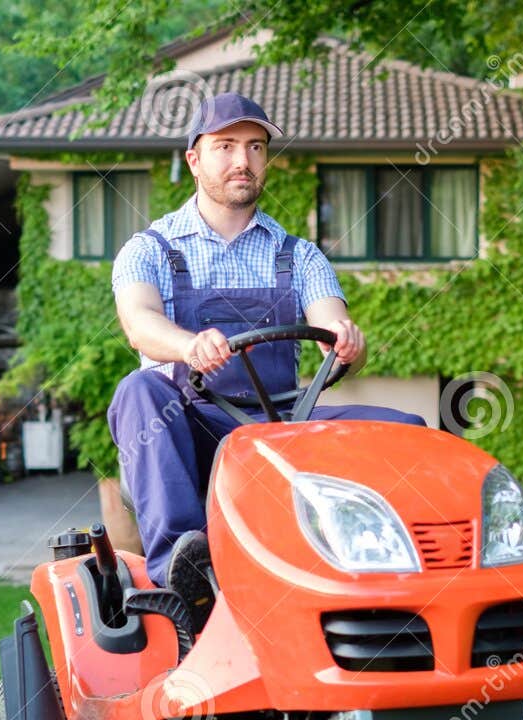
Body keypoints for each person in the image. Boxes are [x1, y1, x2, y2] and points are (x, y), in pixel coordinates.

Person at [109, 92, 423, 607]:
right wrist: (189, 345)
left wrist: (348, 342)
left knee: (408, 430)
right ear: (194, 159)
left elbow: (332, 323)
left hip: (281, 424)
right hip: (191, 427)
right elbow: (140, 323)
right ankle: (185, 569)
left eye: (255, 147)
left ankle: (397, 577)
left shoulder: (299, 256)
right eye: (226, 146)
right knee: (139, 389)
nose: (243, 160)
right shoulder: (150, 249)